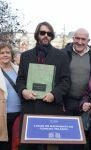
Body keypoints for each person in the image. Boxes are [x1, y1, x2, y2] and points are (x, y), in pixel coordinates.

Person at [16, 21, 71, 150]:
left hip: (51, 109)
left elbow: (66, 81)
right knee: (29, 146)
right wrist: (23, 90)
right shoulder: (25, 56)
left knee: (50, 146)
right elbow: (20, 79)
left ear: (52, 36)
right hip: (30, 107)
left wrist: (54, 94)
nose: (46, 35)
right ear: (37, 35)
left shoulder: (62, 56)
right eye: (42, 33)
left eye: (49, 33)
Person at [63, 28, 91, 150]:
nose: (80, 42)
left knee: (81, 137)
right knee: (66, 138)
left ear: (88, 41)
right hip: (67, 102)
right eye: (77, 38)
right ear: (73, 39)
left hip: (86, 102)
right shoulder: (64, 54)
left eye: (83, 39)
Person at [0, 42, 21, 150]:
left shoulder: (18, 69)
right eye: (2, 52)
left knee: (16, 143)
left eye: (8, 52)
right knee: (4, 144)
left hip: (19, 113)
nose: (5, 55)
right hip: (3, 114)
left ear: (11, 55)